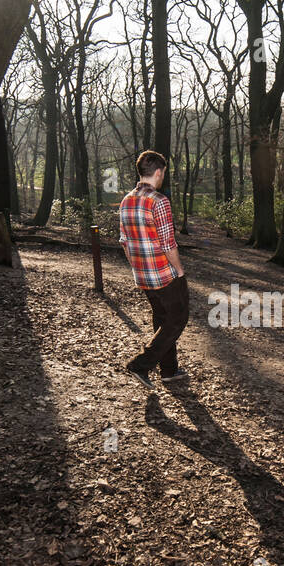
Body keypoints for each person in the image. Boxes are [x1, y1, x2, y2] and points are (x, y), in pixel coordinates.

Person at [117, 150, 189, 388]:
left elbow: (125, 243)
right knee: (178, 318)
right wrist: (179, 270)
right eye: (163, 173)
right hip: (164, 274)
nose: (163, 177)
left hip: (142, 274)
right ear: (159, 172)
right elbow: (168, 243)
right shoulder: (159, 201)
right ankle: (141, 364)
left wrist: (137, 268)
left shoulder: (126, 200)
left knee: (162, 320)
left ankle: (168, 370)